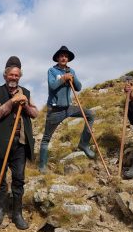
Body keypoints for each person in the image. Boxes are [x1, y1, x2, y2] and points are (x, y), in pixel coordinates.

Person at [0, 56, 38, 229]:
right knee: (0, 179)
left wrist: (25, 105)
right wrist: (12, 102)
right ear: (5, 75)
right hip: (1, 143)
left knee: (19, 179)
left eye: (17, 75)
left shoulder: (26, 93)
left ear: (19, 76)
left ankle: (17, 213)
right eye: (11, 75)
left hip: (20, 144)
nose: (14, 78)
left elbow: (35, 113)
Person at [39, 46, 95, 174]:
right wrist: (64, 78)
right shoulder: (52, 71)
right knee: (46, 138)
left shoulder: (72, 71)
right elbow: (52, 86)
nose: (64, 58)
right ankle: (42, 166)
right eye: (61, 56)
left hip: (68, 108)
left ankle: (84, 144)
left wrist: (72, 77)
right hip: (55, 110)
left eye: (66, 56)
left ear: (68, 59)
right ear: (58, 58)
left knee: (90, 114)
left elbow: (79, 87)